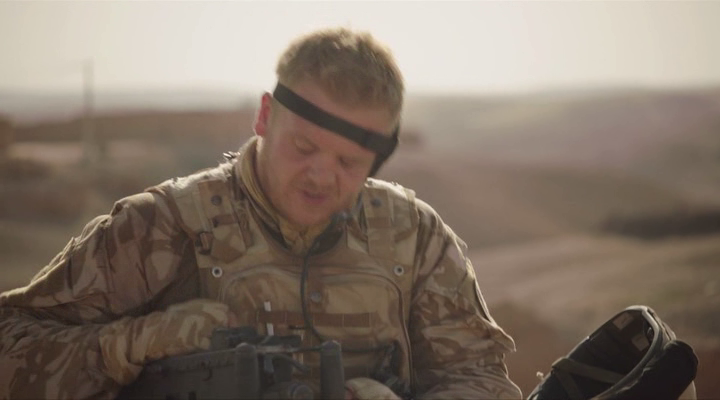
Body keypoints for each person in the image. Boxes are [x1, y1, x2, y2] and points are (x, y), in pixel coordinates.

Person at [0, 27, 522, 399]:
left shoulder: (415, 237)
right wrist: (135, 342)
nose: (321, 176)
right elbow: (11, 349)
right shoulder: (162, 227)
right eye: (304, 147)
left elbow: (480, 377)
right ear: (266, 116)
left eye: (348, 163)